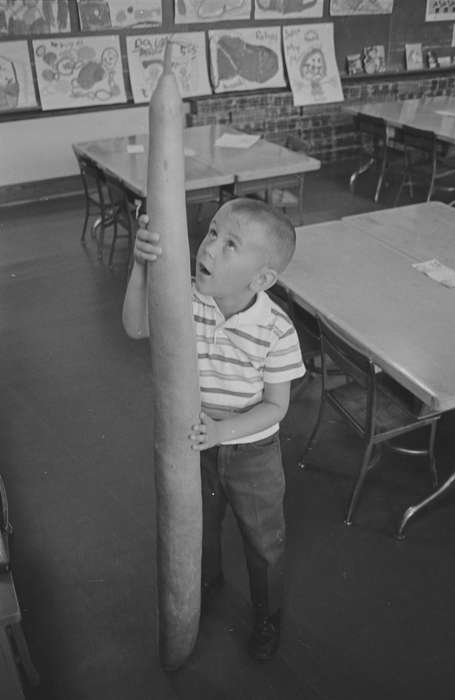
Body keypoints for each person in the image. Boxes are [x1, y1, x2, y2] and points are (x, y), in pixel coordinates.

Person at [122, 197, 305, 662]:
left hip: (252, 455)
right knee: (197, 529)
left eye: (230, 245)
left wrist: (225, 432)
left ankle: (268, 616)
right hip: (196, 447)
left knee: (265, 544)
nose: (208, 248)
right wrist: (141, 266)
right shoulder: (186, 297)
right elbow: (135, 325)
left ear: (261, 278)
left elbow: (276, 407)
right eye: (212, 233)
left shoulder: (277, 330)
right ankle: (201, 585)